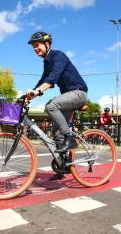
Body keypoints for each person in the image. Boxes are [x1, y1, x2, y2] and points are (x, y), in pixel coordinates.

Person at [24, 31, 88, 179]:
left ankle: (70, 138)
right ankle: (62, 168)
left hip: (78, 93)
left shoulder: (58, 56)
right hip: (68, 97)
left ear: (47, 44)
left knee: (51, 105)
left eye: (37, 45)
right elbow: (43, 80)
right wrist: (27, 97)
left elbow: (52, 78)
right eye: (33, 47)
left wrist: (38, 91)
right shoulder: (47, 62)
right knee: (58, 134)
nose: (35, 49)